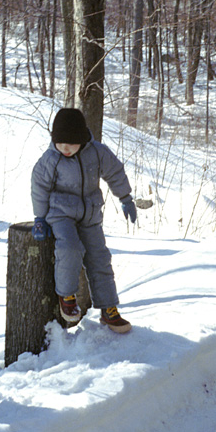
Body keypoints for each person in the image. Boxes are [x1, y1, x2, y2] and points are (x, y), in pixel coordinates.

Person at [31, 108, 137, 332]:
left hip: (90, 215)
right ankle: (67, 296)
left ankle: (109, 309)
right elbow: (39, 187)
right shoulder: (51, 159)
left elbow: (115, 172)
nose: (65, 148)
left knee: (100, 258)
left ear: (81, 139)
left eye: (70, 143)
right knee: (70, 248)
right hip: (61, 215)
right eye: (60, 143)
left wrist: (125, 197)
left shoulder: (97, 152)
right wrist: (39, 218)